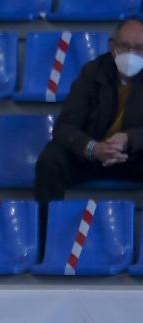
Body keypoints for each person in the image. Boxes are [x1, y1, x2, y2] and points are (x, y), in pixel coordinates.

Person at [35, 18, 143, 230]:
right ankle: (47, 240)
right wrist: (93, 148)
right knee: (50, 160)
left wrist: (129, 139)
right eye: (124, 46)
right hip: (91, 156)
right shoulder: (92, 71)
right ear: (112, 47)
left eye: (139, 48)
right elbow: (64, 126)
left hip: (134, 156)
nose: (132, 53)